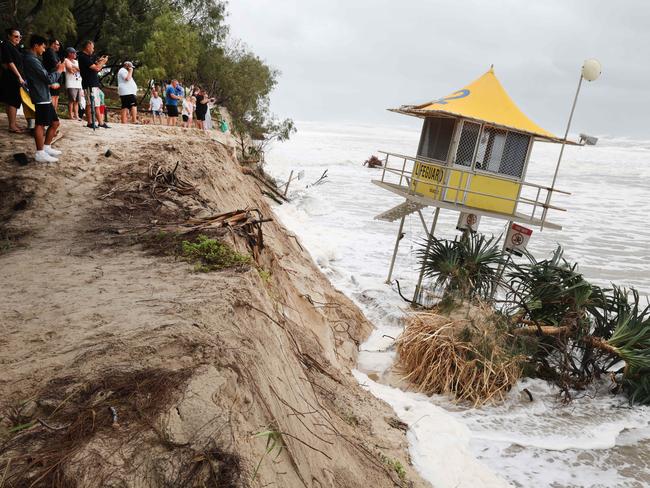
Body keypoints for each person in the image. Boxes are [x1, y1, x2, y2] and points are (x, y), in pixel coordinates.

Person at [22, 34, 65, 163]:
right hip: (40, 96)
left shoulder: (34, 59)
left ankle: (46, 147)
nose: (44, 50)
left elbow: (44, 78)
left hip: (44, 95)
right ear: (36, 46)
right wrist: (59, 71)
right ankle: (40, 153)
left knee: (55, 123)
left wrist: (51, 80)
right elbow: (46, 78)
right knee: (40, 124)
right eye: (43, 47)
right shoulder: (31, 60)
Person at [77, 40, 109, 128]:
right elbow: (97, 68)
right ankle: (97, 122)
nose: (93, 49)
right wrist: (103, 62)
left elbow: (94, 66)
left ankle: (94, 122)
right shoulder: (84, 57)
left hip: (92, 83)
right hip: (90, 83)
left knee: (92, 103)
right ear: (87, 46)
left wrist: (99, 61)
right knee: (92, 104)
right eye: (92, 47)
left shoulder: (86, 57)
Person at [0, 28, 26, 133]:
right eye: (16, 36)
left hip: (14, 76)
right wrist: (19, 76)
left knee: (12, 101)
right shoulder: (6, 45)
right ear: (9, 36)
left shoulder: (14, 47)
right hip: (11, 77)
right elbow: (9, 62)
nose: (18, 38)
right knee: (12, 101)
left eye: (20, 36)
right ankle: (12, 125)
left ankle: (13, 123)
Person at [42, 38, 61, 110]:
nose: (59, 46)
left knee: (56, 96)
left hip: (55, 76)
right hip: (52, 76)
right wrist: (61, 64)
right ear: (53, 44)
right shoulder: (50, 51)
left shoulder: (54, 53)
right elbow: (57, 65)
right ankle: (52, 114)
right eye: (57, 44)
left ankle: (54, 114)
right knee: (53, 96)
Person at [63, 47, 82, 120]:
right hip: (71, 83)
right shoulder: (66, 60)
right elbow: (71, 70)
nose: (75, 54)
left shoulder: (76, 61)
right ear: (69, 53)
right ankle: (70, 115)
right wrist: (75, 68)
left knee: (77, 101)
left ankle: (76, 115)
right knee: (71, 100)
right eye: (74, 53)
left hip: (78, 83)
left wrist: (74, 66)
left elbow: (81, 70)